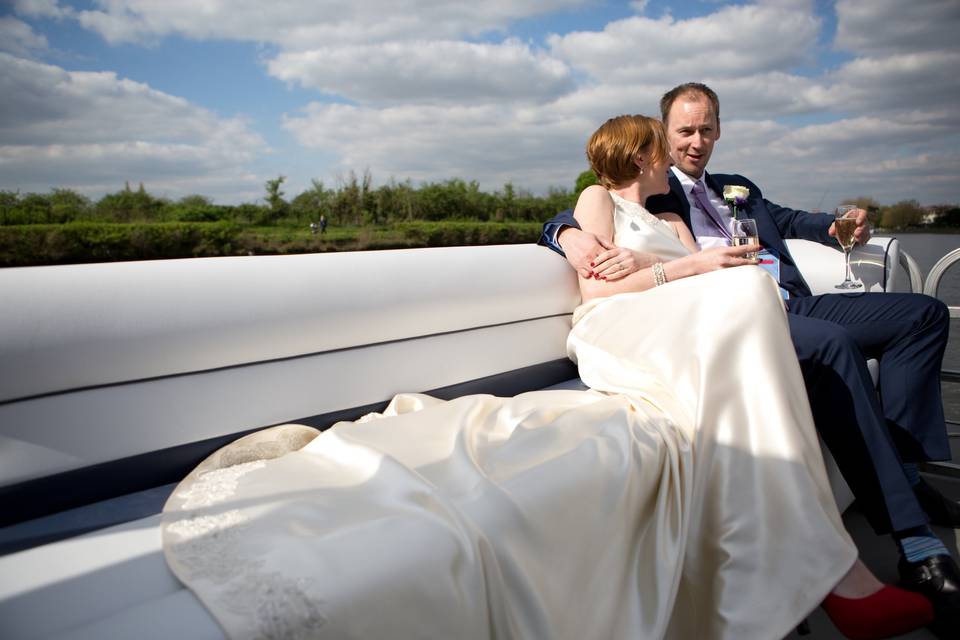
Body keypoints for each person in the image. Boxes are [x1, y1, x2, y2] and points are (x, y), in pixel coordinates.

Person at [161, 115, 933, 640]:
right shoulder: (596, 200)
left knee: (744, 295)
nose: (670, 153)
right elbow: (598, 290)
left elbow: (705, 263)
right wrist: (680, 266)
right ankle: (842, 571)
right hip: (625, 324)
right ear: (638, 153)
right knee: (736, 297)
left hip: (690, 319)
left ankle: (836, 567)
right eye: (661, 144)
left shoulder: (672, 215)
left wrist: (698, 262)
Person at [541, 83, 957, 635]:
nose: (694, 142)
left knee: (925, 314)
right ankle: (900, 545)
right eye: (682, 133)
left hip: (772, 302)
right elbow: (581, 228)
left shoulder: (712, 199)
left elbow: (777, 222)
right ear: (653, 144)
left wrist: (831, 229)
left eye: (706, 129)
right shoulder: (647, 197)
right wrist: (564, 234)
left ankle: (899, 472)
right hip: (694, 318)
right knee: (827, 351)